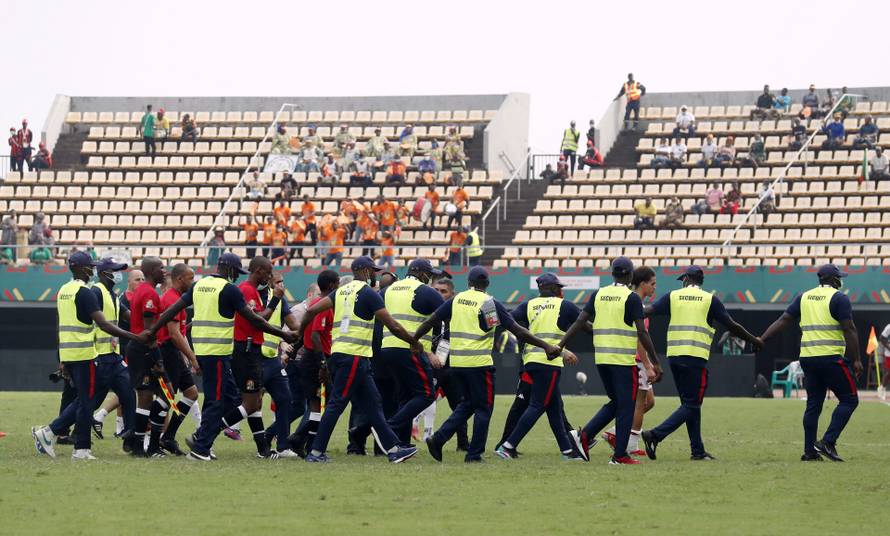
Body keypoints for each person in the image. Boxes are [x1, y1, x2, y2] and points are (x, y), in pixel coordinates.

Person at [144, 253, 296, 461]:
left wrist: (153, 330)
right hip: (218, 353)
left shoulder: (199, 285)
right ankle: (201, 449)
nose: (237, 276)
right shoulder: (229, 289)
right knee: (216, 401)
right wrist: (284, 334)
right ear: (231, 270)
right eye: (236, 272)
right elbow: (255, 321)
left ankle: (202, 441)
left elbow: (173, 310)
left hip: (204, 351)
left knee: (228, 399)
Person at [417, 266, 563, 463]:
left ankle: (438, 439)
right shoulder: (488, 302)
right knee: (483, 408)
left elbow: (430, 321)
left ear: (468, 282)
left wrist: (413, 340)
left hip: (457, 363)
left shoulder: (456, 300)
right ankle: (474, 454)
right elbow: (517, 330)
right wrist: (546, 345)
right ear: (486, 284)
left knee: (468, 404)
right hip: (479, 364)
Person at [293, 256, 422, 463]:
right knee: (336, 404)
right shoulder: (368, 293)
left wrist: (299, 333)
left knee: (373, 404)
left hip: (346, 356)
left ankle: (394, 449)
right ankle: (315, 452)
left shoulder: (340, 292)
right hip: (353, 356)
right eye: (373, 271)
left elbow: (310, 310)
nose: (375, 275)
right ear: (362, 270)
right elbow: (393, 325)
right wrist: (413, 341)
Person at [641, 266, 763, 462]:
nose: (682, 282)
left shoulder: (672, 296)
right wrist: (754, 340)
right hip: (695, 358)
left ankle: (697, 451)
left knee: (689, 405)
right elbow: (732, 325)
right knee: (692, 404)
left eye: (683, 279)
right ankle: (655, 435)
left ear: (688, 279)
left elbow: (647, 311)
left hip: (674, 357)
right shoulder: (709, 299)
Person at [32, 252, 142, 460]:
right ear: (83, 269)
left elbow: (60, 324)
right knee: (86, 402)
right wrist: (134, 337)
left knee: (116, 393)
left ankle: (127, 435)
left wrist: (61, 356)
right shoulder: (89, 292)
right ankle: (66, 440)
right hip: (91, 355)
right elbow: (103, 324)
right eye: (90, 266)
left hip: (86, 353)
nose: (92, 269)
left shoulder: (65, 290)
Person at [765, 264, 862, 461]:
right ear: (834, 280)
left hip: (808, 359)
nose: (841, 281)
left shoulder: (804, 297)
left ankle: (809, 451)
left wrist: (762, 338)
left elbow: (784, 320)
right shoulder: (839, 298)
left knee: (813, 405)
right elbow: (849, 329)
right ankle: (828, 442)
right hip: (831, 358)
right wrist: (857, 359)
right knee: (850, 399)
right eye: (839, 278)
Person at [494, 273, 583, 461]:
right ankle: (508, 447)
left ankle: (567, 451)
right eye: (559, 287)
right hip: (549, 363)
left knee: (554, 409)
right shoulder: (565, 305)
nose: (561, 291)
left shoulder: (528, 305)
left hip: (531, 362)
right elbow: (586, 324)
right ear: (552, 288)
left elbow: (508, 321)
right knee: (537, 406)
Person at [376, 259, 447, 445]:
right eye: (429, 274)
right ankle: (388, 428)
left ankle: (402, 443)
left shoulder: (388, 290)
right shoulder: (426, 292)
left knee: (405, 397)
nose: (430, 277)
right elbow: (446, 315)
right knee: (426, 395)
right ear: (421, 273)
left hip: (387, 348)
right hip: (411, 350)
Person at [602, 266, 659, 457]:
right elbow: (639, 338)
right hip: (636, 360)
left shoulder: (633, 302)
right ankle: (628, 445)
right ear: (642, 284)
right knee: (639, 402)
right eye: (652, 284)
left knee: (648, 402)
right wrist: (648, 365)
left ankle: (617, 434)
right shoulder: (635, 304)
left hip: (631, 359)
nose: (654, 288)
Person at [83, 257, 138, 448]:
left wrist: (152, 326)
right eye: (115, 270)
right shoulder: (96, 292)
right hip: (99, 355)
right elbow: (102, 324)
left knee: (128, 392)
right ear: (105, 273)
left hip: (114, 356)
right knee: (91, 400)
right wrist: (136, 335)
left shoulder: (112, 295)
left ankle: (130, 438)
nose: (119, 274)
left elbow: (128, 316)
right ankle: (52, 430)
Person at [286, 274, 338, 456]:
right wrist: (323, 364)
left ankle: (303, 442)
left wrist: (295, 348)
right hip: (316, 359)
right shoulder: (324, 304)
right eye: (338, 283)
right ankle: (307, 445)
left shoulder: (316, 303)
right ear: (332, 285)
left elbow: (304, 330)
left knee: (319, 405)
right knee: (321, 406)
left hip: (312, 357)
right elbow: (315, 335)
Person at [155, 263, 200, 456]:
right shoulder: (172, 299)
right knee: (166, 396)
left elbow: (178, 333)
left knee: (191, 394)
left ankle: (168, 437)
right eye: (191, 278)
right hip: (167, 351)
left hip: (174, 352)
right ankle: (148, 437)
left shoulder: (179, 298)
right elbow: (173, 334)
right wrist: (193, 357)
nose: (193, 282)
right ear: (180, 279)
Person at [258, 270, 300, 457]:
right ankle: (204, 437)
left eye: (283, 282)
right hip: (254, 359)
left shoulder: (281, 301)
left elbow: (294, 325)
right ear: (268, 282)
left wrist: (308, 326)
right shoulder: (257, 298)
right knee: (242, 404)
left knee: (285, 399)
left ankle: (282, 447)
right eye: (278, 282)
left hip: (272, 360)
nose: (281, 285)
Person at [879, 324, 890, 399]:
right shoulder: (889, 327)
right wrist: (889, 347)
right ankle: (882, 388)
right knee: (889, 372)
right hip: (889, 354)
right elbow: (881, 338)